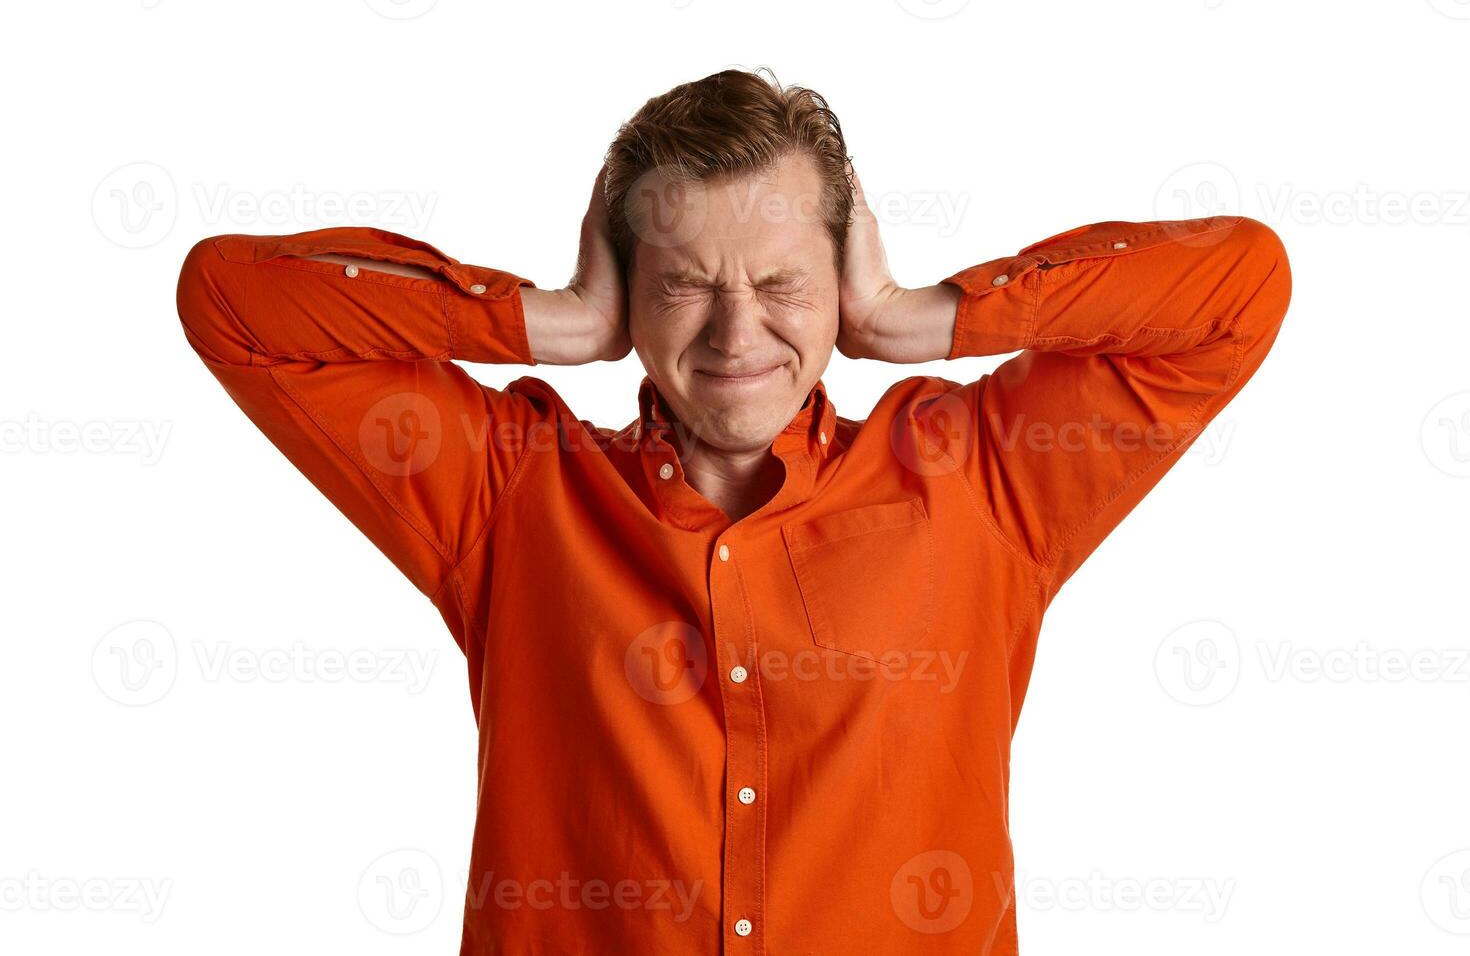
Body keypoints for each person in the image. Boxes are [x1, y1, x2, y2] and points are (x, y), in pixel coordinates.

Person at [175, 67, 1290, 954]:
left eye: (782, 283)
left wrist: (920, 316)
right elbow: (233, 300)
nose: (735, 333)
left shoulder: (986, 479)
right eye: (685, 284)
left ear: (844, 277)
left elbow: (1239, 285)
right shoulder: (509, 492)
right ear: (628, 289)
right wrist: (556, 320)